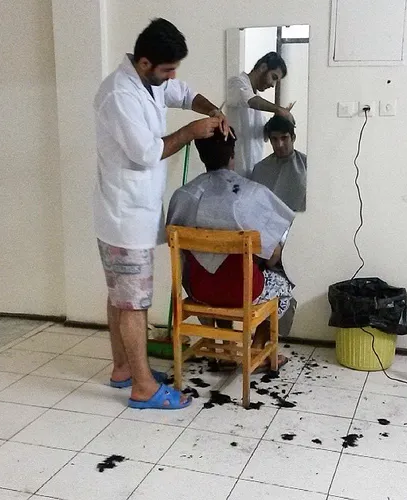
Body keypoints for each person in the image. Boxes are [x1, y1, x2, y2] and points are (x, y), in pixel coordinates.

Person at [93, 18, 230, 410]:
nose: (172, 77)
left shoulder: (148, 80)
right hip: (125, 216)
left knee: (121, 296)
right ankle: (142, 387)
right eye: (167, 70)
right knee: (134, 304)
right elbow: (146, 152)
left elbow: (183, 93)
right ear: (145, 62)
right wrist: (190, 132)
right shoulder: (121, 94)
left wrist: (213, 110)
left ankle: (123, 368)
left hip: (129, 212)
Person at [166, 127, 295, 369]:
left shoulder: (182, 195)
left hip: (199, 290)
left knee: (208, 267)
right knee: (282, 285)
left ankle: (222, 347)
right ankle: (257, 348)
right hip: (242, 292)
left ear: (202, 156)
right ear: (232, 155)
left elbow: (181, 253)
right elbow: (271, 256)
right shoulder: (252, 194)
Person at [227, 52, 294, 178]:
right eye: (273, 77)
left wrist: (278, 122)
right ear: (263, 67)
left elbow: (260, 133)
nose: (273, 85)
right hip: (233, 171)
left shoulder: (257, 99)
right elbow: (248, 99)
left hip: (252, 173)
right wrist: (279, 110)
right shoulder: (236, 83)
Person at [251, 115, 307, 212]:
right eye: (274, 139)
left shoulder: (308, 165)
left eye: (284, 138)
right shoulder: (260, 169)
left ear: (293, 138)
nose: (279, 145)